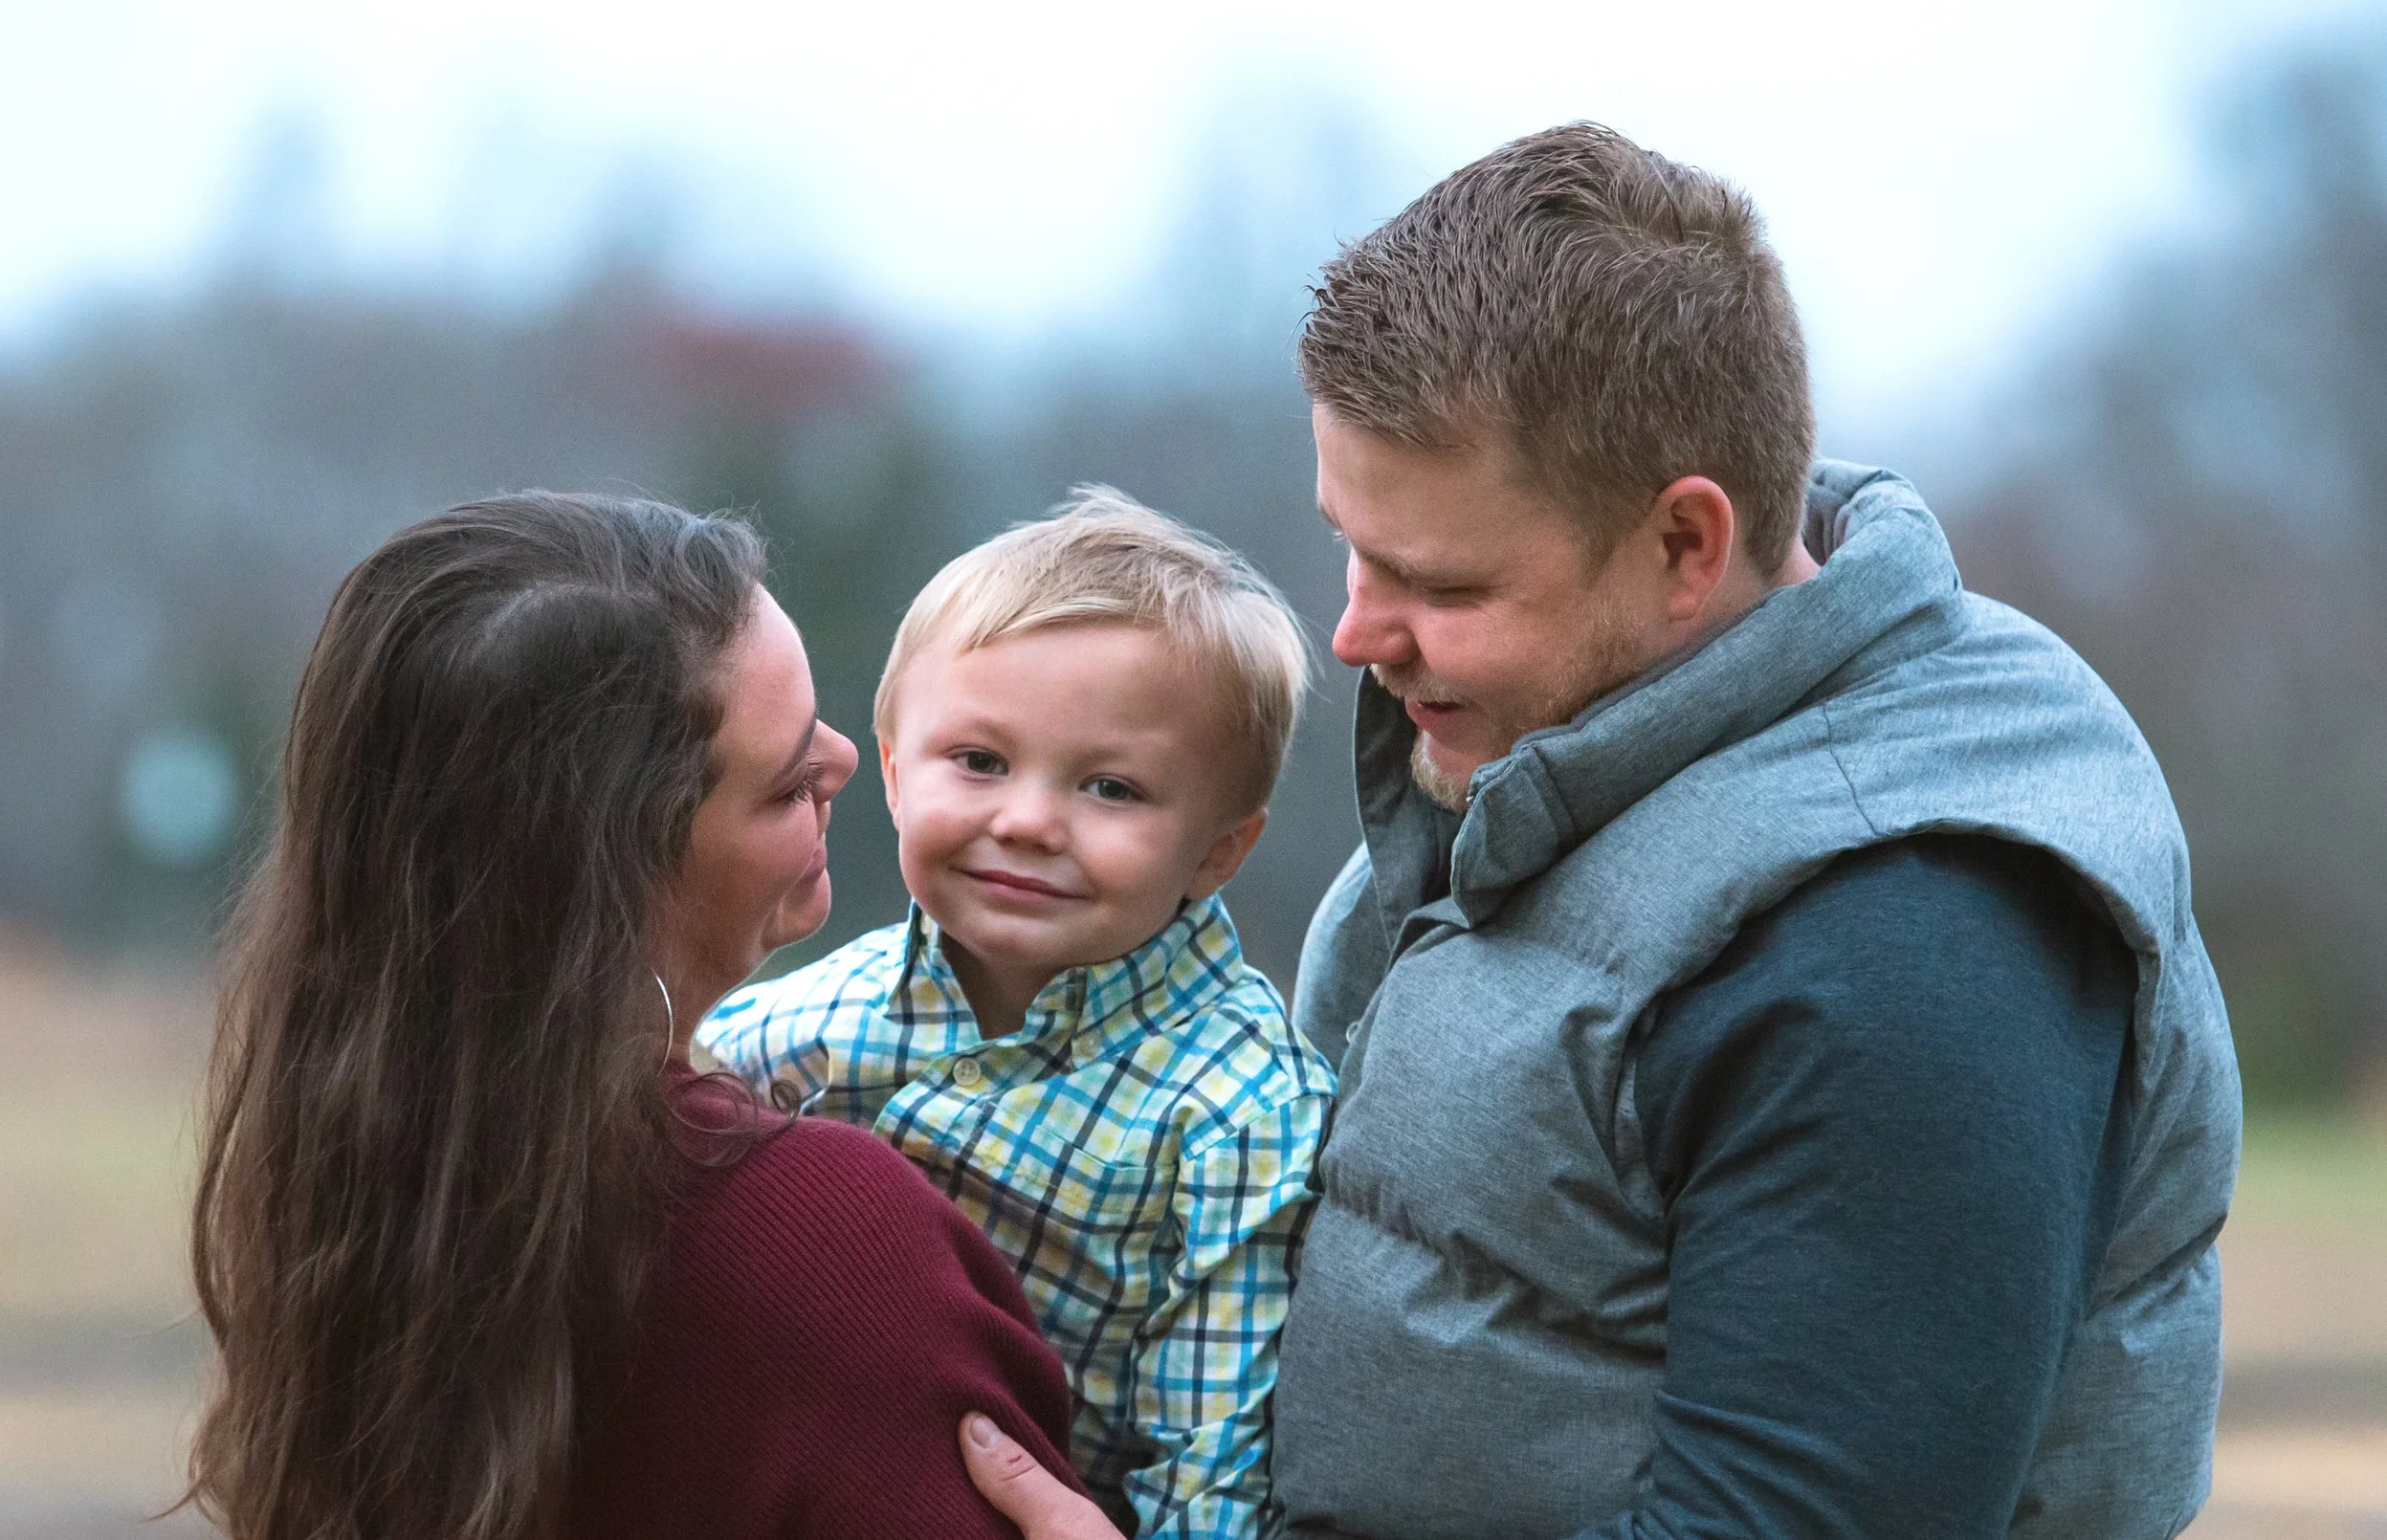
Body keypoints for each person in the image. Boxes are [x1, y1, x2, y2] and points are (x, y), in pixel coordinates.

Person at [961, 122, 2242, 1540]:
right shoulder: (1554, 740)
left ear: (1686, 544)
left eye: (1437, 579)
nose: (1352, 631)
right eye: (1352, 544)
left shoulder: (1903, 936)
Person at [185, 492, 1084, 1540]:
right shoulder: (826, 1247)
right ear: (622, 878)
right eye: (788, 782)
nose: (846, 760)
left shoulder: (356, 1192)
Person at [698, 489, 1336, 1540]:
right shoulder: (806, 1025)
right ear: (895, 774)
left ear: (1220, 849)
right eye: (980, 762)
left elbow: (1216, 1446)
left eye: (1112, 787)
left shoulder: (1241, 1105)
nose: (1029, 819)